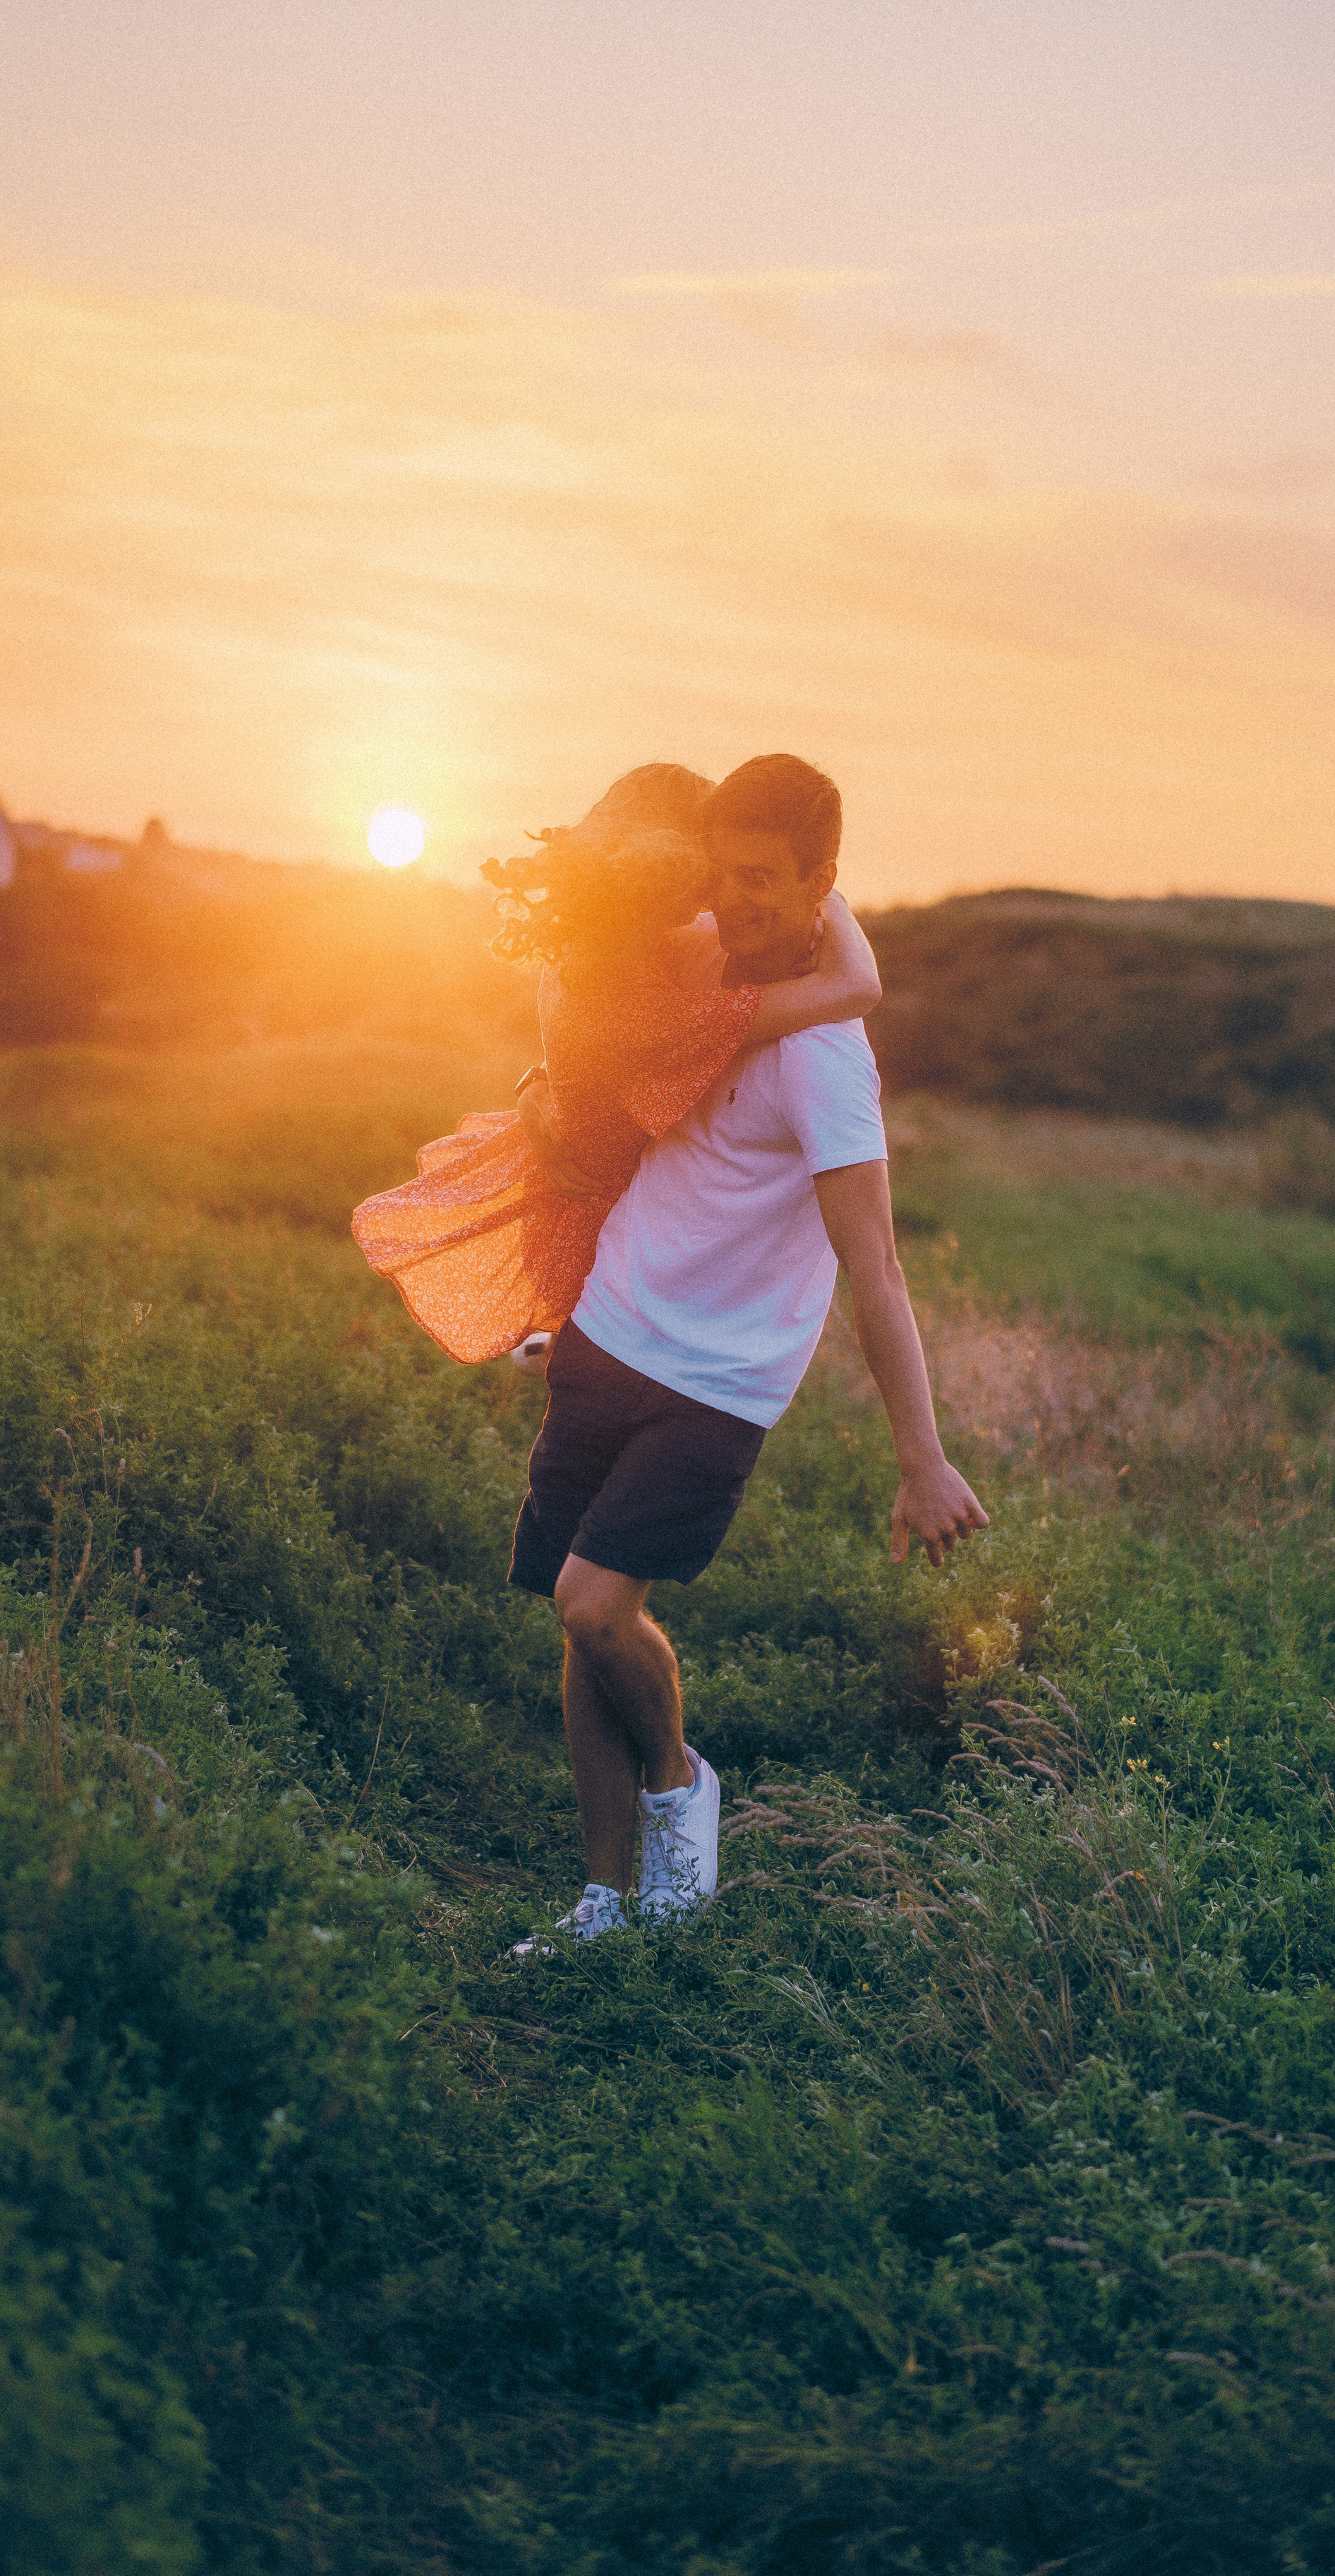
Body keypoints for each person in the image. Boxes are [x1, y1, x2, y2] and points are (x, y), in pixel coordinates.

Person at [509, 752, 989, 1953]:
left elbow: (873, 1263)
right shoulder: (688, 962)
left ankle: (680, 1783)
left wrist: (920, 1457)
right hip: (612, 1324)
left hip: (716, 1380)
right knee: (580, 1623)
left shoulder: (829, 1062)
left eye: (770, 882)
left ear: (824, 880)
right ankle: (606, 1902)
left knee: (597, 1603)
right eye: (726, 875)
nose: (740, 902)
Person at [351, 763, 883, 1365]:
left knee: (570, 1395)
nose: (718, 895)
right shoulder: (648, 1010)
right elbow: (855, 987)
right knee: (585, 1381)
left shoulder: (590, 952)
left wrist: (536, 1083)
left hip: (587, 1196)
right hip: (599, 1228)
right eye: (710, 872)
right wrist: (826, 896)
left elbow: (599, 1055)